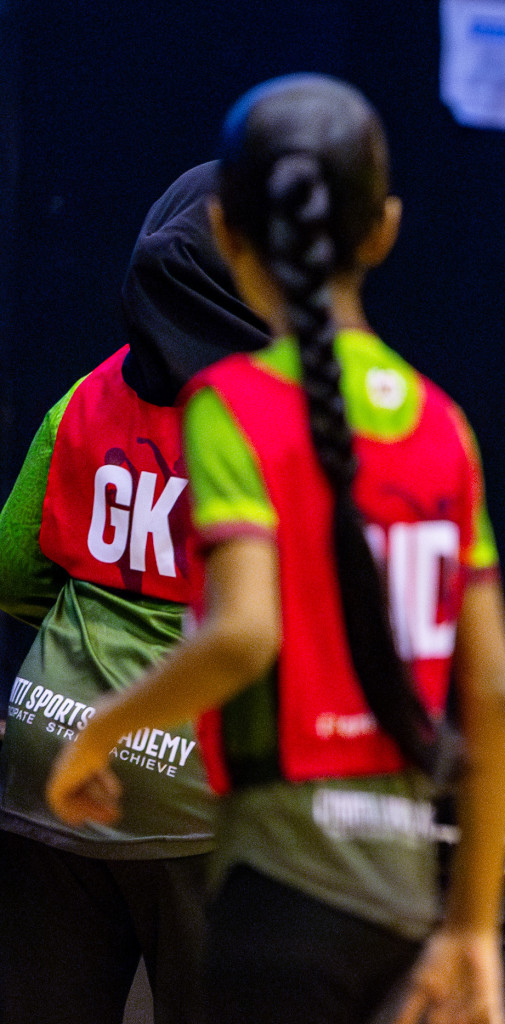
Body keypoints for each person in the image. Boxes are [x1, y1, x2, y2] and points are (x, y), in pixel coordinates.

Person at [46, 74, 505, 1024]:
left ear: (228, 233)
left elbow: (243, 636)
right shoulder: (443, 425)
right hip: (405, 896)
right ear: (382, 231)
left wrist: (97, 731)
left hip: (276, 897)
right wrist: (473, 929)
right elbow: (499, 698)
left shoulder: (236, 406)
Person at [0, 161, 268, 1024]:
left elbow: (12, 572)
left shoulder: (83, 397)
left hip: (44, 756)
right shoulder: (283, 429)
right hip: (199, 794)